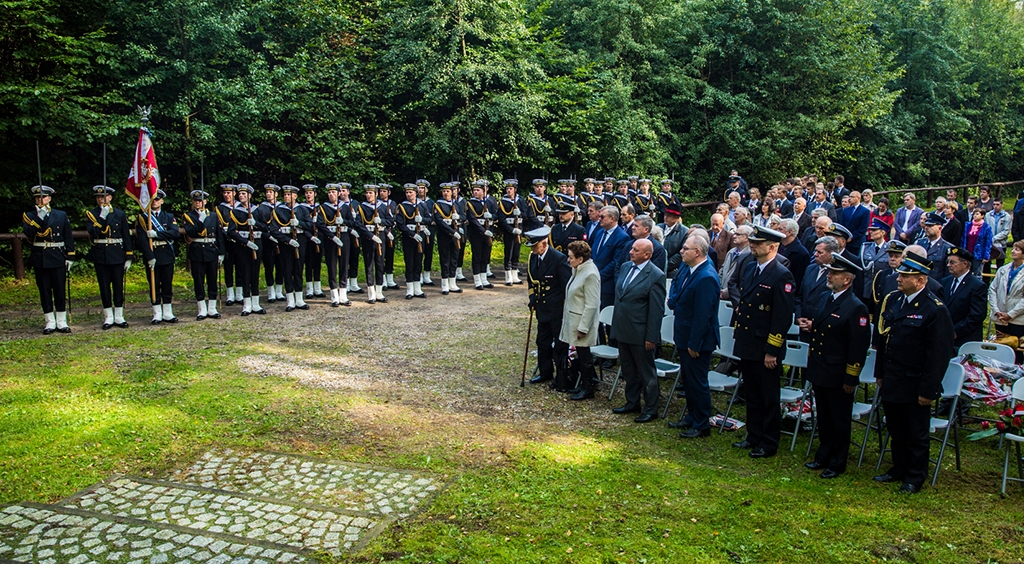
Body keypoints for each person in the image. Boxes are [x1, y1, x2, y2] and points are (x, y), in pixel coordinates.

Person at [873, 251, 954, 493]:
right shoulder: (895, 300)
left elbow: (938, 355)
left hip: (915, 381)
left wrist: (928, 389)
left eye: (905, 276)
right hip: (893, 377)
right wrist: (880, 373)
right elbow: (884, 340)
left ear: (921, 281)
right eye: (900, 274)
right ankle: (898, 467)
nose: (899, 278)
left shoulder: (935, 309)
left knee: (916, 432)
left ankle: (915, 475)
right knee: (896, 428)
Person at [802, 253, 871, 479]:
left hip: (838, 371)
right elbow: (825, 326)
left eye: (834, 273)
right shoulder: (826, 297)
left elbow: (857, 346)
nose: (829, 276)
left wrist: (851, 377)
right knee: (823, 415)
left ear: (847, 280)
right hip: (821, 367)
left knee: (839, 419)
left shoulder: (855, 307)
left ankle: (837, 461)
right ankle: (824, 452)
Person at [731, 226, 796, 458]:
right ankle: (753, 434)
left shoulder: (781, 274)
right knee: (752, 392)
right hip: (748, 341)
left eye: (758, 243)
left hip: (766, 346)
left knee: (768, 396)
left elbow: (781, 317)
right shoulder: (750, 268)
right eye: (753, 242)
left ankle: (768, 441)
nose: (753, 246)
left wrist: (772, 350)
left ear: (772, 247)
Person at [666, 234, 720, 438]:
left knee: (697, 381)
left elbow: (703, 315)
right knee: (688, 380)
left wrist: (694, 344)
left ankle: (702, 423)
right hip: (684, 334)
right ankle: (692, 415)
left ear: (697, 252)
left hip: (697, 339)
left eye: (685, 248)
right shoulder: (688, 269)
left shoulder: (706, 276)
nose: (681, 251)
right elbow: (678, 290)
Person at [610, 238, 667, 423]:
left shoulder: (655, 275)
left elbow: (656, 310)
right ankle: (632, 401)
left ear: (647, 255)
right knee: (628, 369)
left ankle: (651, 408)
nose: (631, 252)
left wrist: (651, 336)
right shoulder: (627, 267)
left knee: (646, 372)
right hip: (623, 328)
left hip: (641, 332)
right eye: (632, 248)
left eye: (635, 250)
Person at [23, 185, 75, 334]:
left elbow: (68, 236)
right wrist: (40, 218)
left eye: (44, 197)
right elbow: (29, 235)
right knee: (44, 290)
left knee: (59, 288)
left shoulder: (60, 215)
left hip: (57, 255)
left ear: (49, 198)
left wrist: (70, 255)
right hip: (41, 256)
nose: (41, 199)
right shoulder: (30, 216)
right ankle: (49, 321)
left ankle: (61, 320)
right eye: (38, 197)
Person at [525, 226, 573, 389]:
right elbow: (532, 280)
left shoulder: (558, 259)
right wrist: (532, 297)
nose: (532, 249)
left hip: (557, 309)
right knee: (542, 342)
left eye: (534, 246)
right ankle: (545, 372)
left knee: (560, 345)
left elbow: (567, 285)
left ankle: (561, 377)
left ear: (544, 243)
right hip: (542, 308)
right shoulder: (533, 257)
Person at [85, 185, 133, 329]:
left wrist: (129, 255)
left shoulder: (119, 214)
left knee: (118, 285)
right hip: (101, 254)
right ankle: (108, 316)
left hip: (117, 253)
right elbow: (93, 233)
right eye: (98, 197)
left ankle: (119, 315)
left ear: (110, 197)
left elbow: (126, 235)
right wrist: (102, 217)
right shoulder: (92, 214)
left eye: (104, 196)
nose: (101, 199)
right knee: (104, 286)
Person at [561, 240, 601, 401]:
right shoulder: (578, 269)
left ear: (580, 259)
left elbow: (592, 304)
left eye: (570, 257)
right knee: (581, 354)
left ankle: (588, 387)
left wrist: (583, 327)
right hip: (574, 318)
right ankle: (589, 382)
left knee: (585, 356)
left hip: (582, 322)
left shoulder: (590, 274)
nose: (568, 260)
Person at [136, 189, 181, 323]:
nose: (155, 202)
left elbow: (175, 233)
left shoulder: (168, 216)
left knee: (167, 283)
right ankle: (157, 312)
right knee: (154, 285)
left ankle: (168, 312)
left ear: (162, 201)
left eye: (157, 199)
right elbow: (142, 240)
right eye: (152, 200)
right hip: (153, 254)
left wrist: (157, 234)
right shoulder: (143, 218)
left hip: (166, 254)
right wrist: (149, 256)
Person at [181, 190, 224, 320]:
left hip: (211, 249)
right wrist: (200, 221)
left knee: (212, 279)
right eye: (196, 201)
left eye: (200, 201)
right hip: (197, 250)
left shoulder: (213, 215)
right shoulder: (188, 216)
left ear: (205, 202)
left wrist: (221, 252)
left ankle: (212, 308)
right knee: (199, 281)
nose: (198, 203)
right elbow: (191, 233)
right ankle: (202, 308)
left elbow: (219, 234)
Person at [227, 184, 266, 316]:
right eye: (240, 194)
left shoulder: (257, 210)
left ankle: (256, 303)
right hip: (243, 246)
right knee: (245, 274)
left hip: (257, 244)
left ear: (249, 196)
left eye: (244, 194)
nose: (241, 196)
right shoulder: (235, 212)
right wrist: (245, 242)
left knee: (255, 274)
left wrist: (255, 223)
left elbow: (265, 228)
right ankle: (247, 304)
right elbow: (231, 232)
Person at [271, 185, 311, 311]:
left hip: (300, 242)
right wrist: (287, 240)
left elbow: (310, 225)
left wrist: (299, 224)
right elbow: (273, 230)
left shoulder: (302, 210)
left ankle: (299, 299)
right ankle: (290, 300)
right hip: (286, 244)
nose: (287, 197)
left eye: (289, 195)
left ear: (295, 196)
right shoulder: (278, 210)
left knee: (299, 269)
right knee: (287, 271)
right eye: (285, 195)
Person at [942, 247, 987, 349]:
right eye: (948, 262)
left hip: (965, 339)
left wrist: (956, 331)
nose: (948, 265)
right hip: (945, 337)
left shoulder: (977, 286)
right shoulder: (945, 282)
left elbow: (977, 315)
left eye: (953, 262)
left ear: (965, 264)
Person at [591, 206, 632, 311]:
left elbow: (616, 261)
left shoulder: (622, 237)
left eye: (602, 217)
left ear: (612, 218)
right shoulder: (600, 232)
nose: (599, 219)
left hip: (606, 284)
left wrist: (600, 276)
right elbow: (594, 254)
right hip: (593, 280)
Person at [796, 236, 839, 338]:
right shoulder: (810, 269)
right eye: (815, 251)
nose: (815, 255)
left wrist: (815, 323)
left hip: (823, 331)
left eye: (820, 252)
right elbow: (800, 296)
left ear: (831, 254)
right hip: (804, 326)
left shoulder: (837, 275)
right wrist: (798, 316)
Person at [317, 184, 352, 307]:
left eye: (333, 192)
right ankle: (334, 296)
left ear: (338, 194)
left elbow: (352, 222)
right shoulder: (323, 208)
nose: (331, 194)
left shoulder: (345, 207)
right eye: (329, 192)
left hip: (344, 237)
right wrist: (332, 237)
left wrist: (343, 221)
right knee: (332, 266)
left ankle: (343, 294)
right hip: (330, 238)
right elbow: (320, 224)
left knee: (344, 265)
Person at [353, 185, 388, 304]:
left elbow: (391, 221)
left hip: (380, 237)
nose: (368, 195)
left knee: (380, 264)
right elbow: (358, 224)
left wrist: (382, 221)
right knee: (369, 265)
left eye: (371, 193)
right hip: (368, 238)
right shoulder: (362, 208)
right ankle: (371, 293)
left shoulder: (382, 206)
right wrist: (370, 235)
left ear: (376, 194)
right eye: (367, 193)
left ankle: (379, 291)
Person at [989, 241, 1024, 352]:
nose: (1013, 251)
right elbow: (992, 289)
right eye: (1013, 248)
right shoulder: (1003, 270)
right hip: (1000, 316)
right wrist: (996, 310)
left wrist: (1010, 314)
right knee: (1000, 349)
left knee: (1015, 350)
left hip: (1017, 319)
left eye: (1017, 249)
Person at [497, 179, 528, 286]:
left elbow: (526, 214)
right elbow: (501, 219)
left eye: (511, 188)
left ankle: (515, 274)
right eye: (507, 189)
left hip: (518, 229)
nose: (509, 190)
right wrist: (510, 229)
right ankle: (508, 275)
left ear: (515, 189)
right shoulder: (503, 201)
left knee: (516, 252)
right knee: (509, 252)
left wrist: (520, 213)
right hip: (509, 230)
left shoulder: (520, 200)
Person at [433, 183, 463, 295]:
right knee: (445, 259)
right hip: (444, 235)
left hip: (456, 235)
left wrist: (458, 217)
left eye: (448, 191)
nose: (446, 193)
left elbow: (464, 216)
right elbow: (439, 221)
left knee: (454, 258)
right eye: (444, 191)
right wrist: (452, 232)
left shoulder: (457, 204)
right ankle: (445, 284)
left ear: (452, 192)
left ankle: (453, 282)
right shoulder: (438, 205)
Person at [257, 184, 284, 303]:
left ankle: (279, 290)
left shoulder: (282, 207)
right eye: (267, 192)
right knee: (269, 265)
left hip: (280, 238)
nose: (268, 194)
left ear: (276, 194)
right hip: (267, 239)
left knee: (281, 265)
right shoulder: (261, 208)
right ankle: (270, 291)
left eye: (271, 192)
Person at [214, 184, 241, 305]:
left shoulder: (241, 207)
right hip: (227, 240)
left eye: (229, 193)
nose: (226, 195)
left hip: (239, 240)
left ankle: (240, 293)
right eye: (225, 193)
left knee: (240, 268)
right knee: (228, 268)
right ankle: (230, 294)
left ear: (234, 193)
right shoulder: (220, 209)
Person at [860, 219, 893, 302]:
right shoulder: (865, 247)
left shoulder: (889, 249)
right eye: (871, 230)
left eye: (874, 230)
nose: (871, 232)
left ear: (883, 233)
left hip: (882, 289)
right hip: (866, 289)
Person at [300, 184, 324, 299]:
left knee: (317, 262)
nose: (308, 195)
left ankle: (318, 288)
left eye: (311, 193)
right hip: (307, 238)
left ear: (315, 194)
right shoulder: (301, 208)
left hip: (319, 237)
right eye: (307, 193)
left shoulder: (320, 207)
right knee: (308, 263)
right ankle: (309, 288)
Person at [917, 212, 954, 281]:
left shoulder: (947, 248)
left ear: (940, 228)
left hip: (935, 286)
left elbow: (948, 274)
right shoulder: (919, 243)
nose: (926, 228)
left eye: (930, 226)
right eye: (926, 225)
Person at [719, 225, 752, 300]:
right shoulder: (731, 252)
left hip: (736, 298)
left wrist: (728, 292)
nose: (734, 236)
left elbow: (744, 279)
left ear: (746, 237)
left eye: (738, 234)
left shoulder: (750, 256)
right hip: (722, 295)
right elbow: (722, 271)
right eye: (734, 234)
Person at [377, 183, 401, 289]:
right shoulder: (376, 204)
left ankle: (390, 278)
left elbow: (395, 216)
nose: (382, 193)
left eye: (384, 191)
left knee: (390, 255)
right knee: (381, 256)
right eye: (381, 191)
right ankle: (382, 279)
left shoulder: (393, 203)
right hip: (382, 231)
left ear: (389, 193)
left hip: (391, 231)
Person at [778, 218, 809, 294]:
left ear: (789, 232)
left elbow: (798, 280)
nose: (777, 232)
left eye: (780, 229)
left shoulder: (801, 253)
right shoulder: (777, 246)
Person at [416, 180, 437, 287]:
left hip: (430, 229)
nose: (420, 190)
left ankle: (427, 275)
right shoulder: (413, 202)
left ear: (427, 190)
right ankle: (418, 275)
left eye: (423, 188)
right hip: (418, 230)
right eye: (419, 188)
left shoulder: (431, 203)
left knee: (428, 252)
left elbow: (434, 217)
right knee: (419, 252)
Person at [658, 203, 686, 279]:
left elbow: (681, 254)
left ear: (676, 218)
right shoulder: (657, 227)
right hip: (655, 268)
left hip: (672, 271)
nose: (665, 218)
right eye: (665, 215)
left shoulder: (684, 232)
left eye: (668, 216)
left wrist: (665, 265)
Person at [962, 208, 992, 276]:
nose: (975, 215)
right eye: (974, 214)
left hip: (979, 253)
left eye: (977, 214)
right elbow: (963, 238)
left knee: (977, 273)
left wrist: (986, 256)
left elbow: (988, 242)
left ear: (982, 216)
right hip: (967, 252)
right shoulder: (968, 225)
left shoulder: (986, 227)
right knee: (965, 271)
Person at [985, 199, 1012, 270]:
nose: (995, 206)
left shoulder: (1007, 216)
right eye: (994, 204)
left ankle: (999, 278)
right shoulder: (988, 215)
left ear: (1002, 205)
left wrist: (995, 238)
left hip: (1001, 243)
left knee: (1000, 263)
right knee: (987, 262)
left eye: (997, 204)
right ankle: (986, 280)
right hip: (989, 243)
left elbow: (1006, 231)